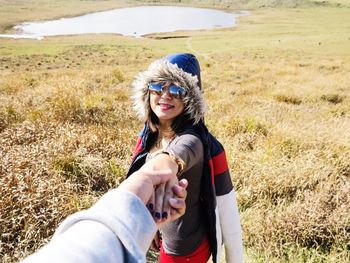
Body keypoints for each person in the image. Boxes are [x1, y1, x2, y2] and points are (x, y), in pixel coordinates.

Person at [128, 53, 244, 263]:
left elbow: (177, 156)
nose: (165, 95)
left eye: (176, 89)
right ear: (147, 91)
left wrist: (165, 165)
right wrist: (152, 223)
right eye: (158, 86)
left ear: (190, 100)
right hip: (164, 234)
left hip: (185, 249)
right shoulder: (148, 134)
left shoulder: (194, 140)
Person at [22, 169, 188, 263]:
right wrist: (142, 222)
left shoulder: (191, 137)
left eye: (184, 103)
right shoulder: (147, 134)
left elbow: (168, 160)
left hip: (184, 243)